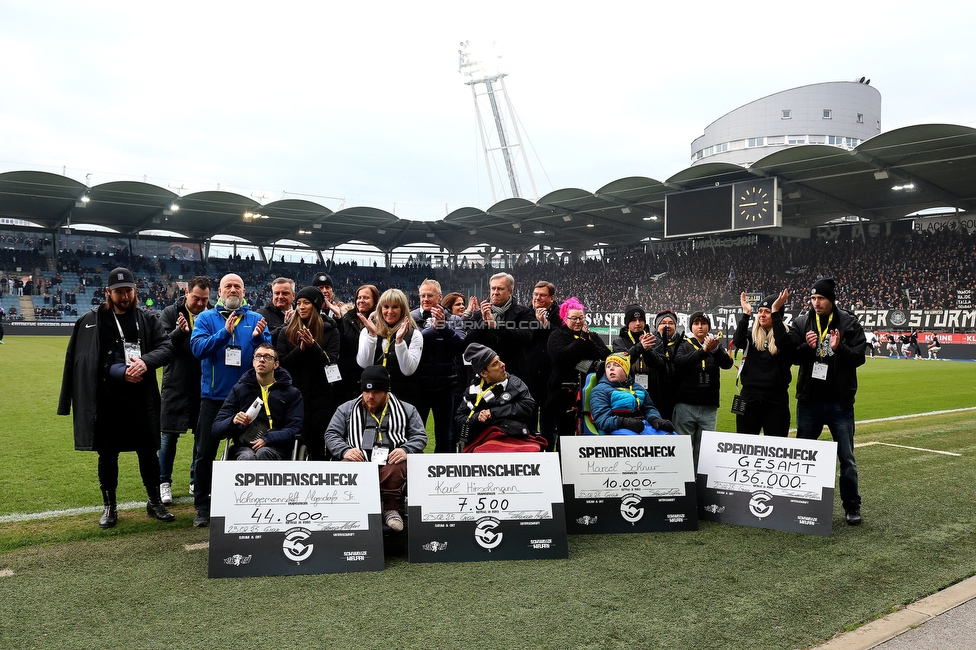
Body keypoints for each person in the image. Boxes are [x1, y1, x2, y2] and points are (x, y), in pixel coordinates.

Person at [57, 267, 176, 528]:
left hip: (141, 400)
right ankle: (109, 506)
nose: (125, 296)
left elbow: (167, 348)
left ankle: (154, 501)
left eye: (129, 291)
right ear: (108, 292)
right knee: (108, 455)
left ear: (135, 291)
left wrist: (144, 363)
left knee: (148, 452)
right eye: (119, 292)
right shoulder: (90, 321)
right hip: (107, 401)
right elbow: (80, 362)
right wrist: (118, 371)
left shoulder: (146, 319)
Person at [189, 273, 271, 527]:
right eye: (228, 286)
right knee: (205, 453)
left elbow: (268, 355)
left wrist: (259, 339)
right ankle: (202, 506)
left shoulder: (256, 319)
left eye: (237, 286)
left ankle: (245, 503)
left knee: (249, 449)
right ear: (220, 292)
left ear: (244, 292)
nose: (233, 290)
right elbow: (198, 349)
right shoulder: (206, 318)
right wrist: (224, 334)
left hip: (248, 400)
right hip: (213, 399)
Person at [787, 277, 865, 526]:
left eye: (820, 298)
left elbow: (859, 358)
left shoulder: (850, 323)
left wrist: (839, 347)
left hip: (839, 403)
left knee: (847, 458)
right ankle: (799, 503)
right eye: (813, 298)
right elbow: (791, 357)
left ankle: (852, 506)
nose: (816, 302)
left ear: (831, 299)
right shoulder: (801, 322)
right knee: (804, 455)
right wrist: (807, 348)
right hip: (809, 401)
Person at [325, 365, 428, 532]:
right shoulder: (346, 409)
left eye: (376, 392)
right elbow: (331, 434)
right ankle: (353, 509)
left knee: (397, 465)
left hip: (392, 459)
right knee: (346, 467)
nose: (370, 396)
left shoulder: (407, 409)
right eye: (366, 392)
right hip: (358, 458)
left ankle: (391, 509)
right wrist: (345, 451)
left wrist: (405, 450)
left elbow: (420, 437)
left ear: (386, 392)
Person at [157, 276, 211, 504]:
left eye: (205, 300)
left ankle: (195, 481)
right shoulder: (170, 313)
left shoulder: (210, 316)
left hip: (203, 386)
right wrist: (180, 332)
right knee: (168, 438)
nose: (200, 304)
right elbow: (162, 345)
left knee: (201, 440)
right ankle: (163, 482)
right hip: (176, 384)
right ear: (187, 293)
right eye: (196, 298)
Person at [276, 286, 340, 460]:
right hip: (292, 397)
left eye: (306, 303)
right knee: (290, 444)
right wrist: (300, 349)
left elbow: (331, 363)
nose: (301, 307)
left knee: (318, 444)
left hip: (321, 398)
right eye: (299, 303)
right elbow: (281, 364)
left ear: (316, 305)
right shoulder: (286, 331)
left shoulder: (331, 331)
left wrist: (313, 347)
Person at [212, 342, 304, 460]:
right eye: (258, 356)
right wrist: (233, 420)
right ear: (253, 362)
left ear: (276, 364)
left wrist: (269, 439)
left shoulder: (291, 393)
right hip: (244, 446)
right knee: (247, 456)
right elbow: (216, 428)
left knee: (263, 453)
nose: (261, 360)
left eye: (267, 357)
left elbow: (295, 428)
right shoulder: (240, 389)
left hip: (277, 447)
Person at [410, 279, 466, 452]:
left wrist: (443, 327)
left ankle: (442, 475)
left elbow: (460, 347)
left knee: (445, 435)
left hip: (445, 386)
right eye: (423, 295)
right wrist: (431, 331)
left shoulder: (454, 319)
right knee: (414, 435)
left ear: (440, 297)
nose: (425, 299)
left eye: (430, 295)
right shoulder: (411, 318)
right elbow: (409, 344)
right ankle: (413, 476)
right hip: (418, 386)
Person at [455, 343, 543, 452]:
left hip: (516, 437)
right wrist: (477, 417)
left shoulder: (514, 384)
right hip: (483, 440)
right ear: (484, 373)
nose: (502, 364)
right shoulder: (472, 392)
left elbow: (528, 406)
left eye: (499, 360)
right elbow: (459, 418)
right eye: (495, 364)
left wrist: (493, 413)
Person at [673, 311, 733, 468]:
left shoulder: (715, 345)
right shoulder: (684, 344)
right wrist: (703, 351)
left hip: (709, 406)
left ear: (708, 326)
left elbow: (727, 364)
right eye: (696, 323)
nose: (700, 326)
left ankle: (700, 486)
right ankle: (683, 485)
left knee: (704, 452)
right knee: (683, 450)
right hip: (686, 405)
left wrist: (714, 350)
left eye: (703, 323)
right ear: (691, 326)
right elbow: (680, 362)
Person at [546, 297, 609, 439]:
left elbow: (605, 355)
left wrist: (588, 342)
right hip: (563, 394)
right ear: (565, 318)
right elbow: (561, 357)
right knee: (565, 435)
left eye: (581, 318)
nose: (578, 321)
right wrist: (581, 342)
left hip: (591, 391)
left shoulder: (591, 336)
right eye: (574, 318)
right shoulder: (557, 336)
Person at [733, 290, 793, 437]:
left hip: (776, 400)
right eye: (760, 311)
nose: (762, 315)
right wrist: (746, 313)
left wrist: (776, 312)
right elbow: (737, 341)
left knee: (776, 446)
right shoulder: (750, 334)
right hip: (749, 397)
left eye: (768, 311)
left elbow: (783, 344)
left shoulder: (787, 335)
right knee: (745, 444)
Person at [464, 272, 536, 383]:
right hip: (486, 375)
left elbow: (526, 336)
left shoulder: (524, 312)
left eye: (500, 289)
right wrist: (484, 323)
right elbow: (469, 342)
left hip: (515, 374)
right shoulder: (479, 314)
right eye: (493, 288)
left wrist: (497, 327)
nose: (495, 293)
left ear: (510, 291)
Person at [356, 288, 423, 408]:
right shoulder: (367, 330)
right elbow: (364, 364)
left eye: (395, 307)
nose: (390, 311)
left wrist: (399, 342)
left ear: (403, 309)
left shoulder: (415, 334)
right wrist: (372, 336)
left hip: (403, 398)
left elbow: (408, 370)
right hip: (373, 396)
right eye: (386, 306)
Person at [590, 353, 674, 436]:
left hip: (640, 425)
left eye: (616, 365)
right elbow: (602, 421)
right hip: (614, 429)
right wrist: (624, 422)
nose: (611, 369)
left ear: (626, 369)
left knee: (670, 435)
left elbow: (649, 408)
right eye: (608, 366)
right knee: (639, 441)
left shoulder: (638, 388)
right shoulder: (599, 390)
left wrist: (655, 419)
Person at [525, 281, 561, 450]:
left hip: (551, 380)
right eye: (535, 295)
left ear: (551, 298)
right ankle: (531, 461)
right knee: (528, 425)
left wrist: (546, 325)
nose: (537, 298)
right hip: (528, 378)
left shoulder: (561, 314)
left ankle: (548, 459)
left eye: (542, 295)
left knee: (548, 425)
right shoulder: (525, 314)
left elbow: (562, 338)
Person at [337, 284, 378, 402]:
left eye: (366, 298)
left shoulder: (381, 322)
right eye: (359, 298)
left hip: (371, 379)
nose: (361, 301)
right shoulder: (346, 319)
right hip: (347, 381)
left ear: (375, 300)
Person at [612, 304, 659, 392]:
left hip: (653, 390)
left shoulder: (654, 340)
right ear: (627, 323)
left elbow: (659, 364)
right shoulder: (618, 342)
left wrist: (647, 351)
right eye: (633, 320)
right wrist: (640, 347)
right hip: (627, 388)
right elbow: (619, 364)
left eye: (640, 320)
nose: (637, 323)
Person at [650, 309, 682, 420]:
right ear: (657, 325)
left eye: (671, 323)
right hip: (655, 396)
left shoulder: (683, 343)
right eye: (663, 323)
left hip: (678, 397)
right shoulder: (649, 343)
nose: (667, 326)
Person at [258, 277, 295, 347]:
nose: (280, 297)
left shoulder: (301, 314)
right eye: (277, 293)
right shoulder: (261, 315)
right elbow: (263, 342)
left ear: (293, 296)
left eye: (285, 293)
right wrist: (285, 325)